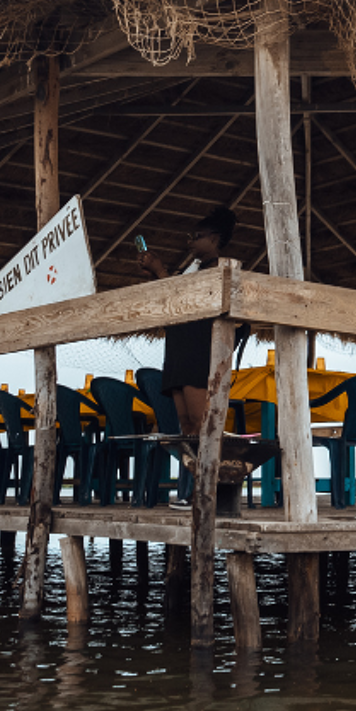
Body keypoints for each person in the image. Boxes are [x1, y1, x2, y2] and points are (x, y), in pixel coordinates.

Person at [136, 207, 238, 506]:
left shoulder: (219, 269)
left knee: (203, 422)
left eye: (197, 237)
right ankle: (199, 490)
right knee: (187, 428)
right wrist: (157, 276)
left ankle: (210, 490)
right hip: (179, 354)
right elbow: (172, 303)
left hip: (199, 354)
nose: (190, 242)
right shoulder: (192, 268)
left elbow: (191, 301)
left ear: (215, 239)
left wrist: (160, 271)